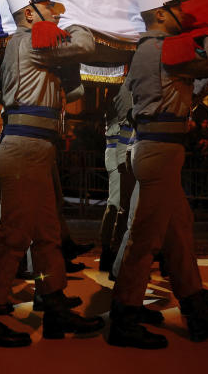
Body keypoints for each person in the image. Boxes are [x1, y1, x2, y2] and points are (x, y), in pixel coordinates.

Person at [0, 0, 104, 347]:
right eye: (50, 7)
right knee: (14, 236)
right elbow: (86, 44)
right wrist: (77, 20)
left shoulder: (31, 45)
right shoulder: (31, 42)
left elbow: (71, 85)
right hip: (26, 148)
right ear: (29, 13)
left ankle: (55, 304)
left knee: (47, 236)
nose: (56, 13)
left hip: (35, 148)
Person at [107, 0, 208, 349]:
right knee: (144, 238)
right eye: (179, 9)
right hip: (160, 150)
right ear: (162, 14)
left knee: (178, 233)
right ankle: (124, 316)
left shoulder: (153, 51)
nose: (186, 15)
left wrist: (203, 80)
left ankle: (195, 309)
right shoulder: (165, 48)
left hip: (158, 149)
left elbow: (179, 93)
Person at [98, 82, 135, 272]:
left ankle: (109, 252)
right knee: (119, 205)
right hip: (120, 149)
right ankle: (111, 253)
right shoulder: (122, 88)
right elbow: (127, 121)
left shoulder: (114, 87)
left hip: (115, 149)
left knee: (116, 204)